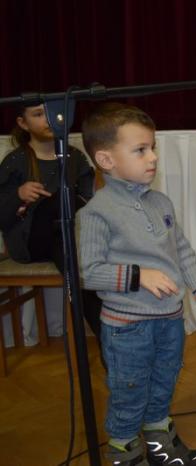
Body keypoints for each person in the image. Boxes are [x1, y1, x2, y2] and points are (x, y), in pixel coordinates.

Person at [78, 103, 196, 466]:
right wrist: (138, 275)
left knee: (163, 384)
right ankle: (125, 455)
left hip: (169, 319)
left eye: (153, 147)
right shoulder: (96, 212)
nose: (153, 157)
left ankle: (160, 447)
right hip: (128, 328)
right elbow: (89, 272)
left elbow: (182, 252)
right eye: (140, 150)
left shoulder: (160, 202)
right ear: (106, 160)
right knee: (129, 393)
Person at [0, 103, 103, 354]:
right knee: (59, 201)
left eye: (52, 113)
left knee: (71, 257)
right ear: (23, 123)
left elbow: (89, 203)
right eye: (38, 114)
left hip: (65, 241)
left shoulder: (74, 157)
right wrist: (18, 195)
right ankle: (109, 339)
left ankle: (107, 342)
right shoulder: (15, 160)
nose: (48, 119)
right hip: (28, 243)